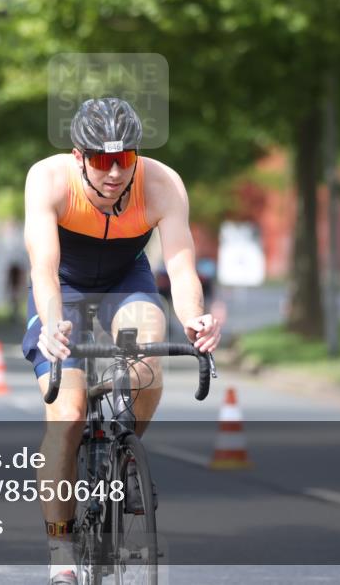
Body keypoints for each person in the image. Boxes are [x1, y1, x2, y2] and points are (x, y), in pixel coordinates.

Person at [22, 97, 221, 585]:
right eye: (102, 160)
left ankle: (125, 452)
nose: (114, 173)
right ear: (78, 156)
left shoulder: (162, 184)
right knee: (66, 416)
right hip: (64, 289)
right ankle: (60, 545)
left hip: (126, 280)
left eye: (125, 159)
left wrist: (196, 319)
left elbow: (179, 264)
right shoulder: (48, 180)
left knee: (150, 355)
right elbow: (43, 268)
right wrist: (51, 324)